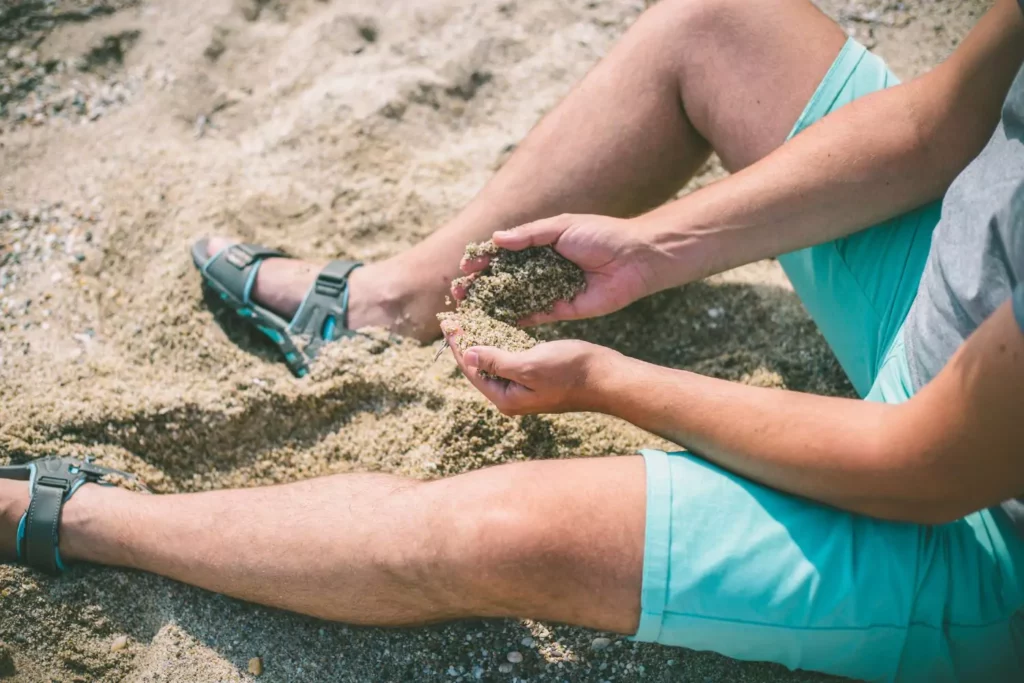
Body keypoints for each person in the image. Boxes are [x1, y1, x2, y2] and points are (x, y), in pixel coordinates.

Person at [3, 0, 1024, 680]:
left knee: (499, 534)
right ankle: (380, 306)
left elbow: (917, 464)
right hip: (952, 290)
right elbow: (934, 125)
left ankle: (91, 515)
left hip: (978, 514)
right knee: (719, 23)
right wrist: (652, 247)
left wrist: (610, 379)